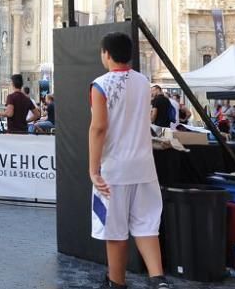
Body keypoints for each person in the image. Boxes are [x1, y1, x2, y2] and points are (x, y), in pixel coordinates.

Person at [89, 32, 169, 289]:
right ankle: (158, 280)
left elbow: (98, 128)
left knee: (115, 230)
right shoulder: (144, 82)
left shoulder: (100, 84)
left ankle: (116, 282)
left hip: (115, 168)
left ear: (106, 54)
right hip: (145, 166)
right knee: (146, 226)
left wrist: (93, 170)